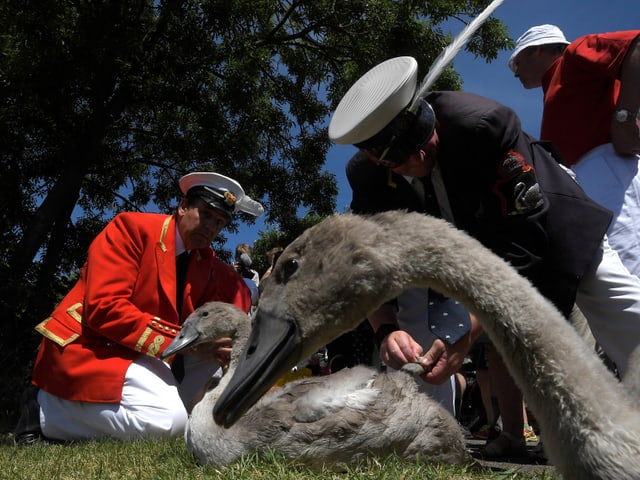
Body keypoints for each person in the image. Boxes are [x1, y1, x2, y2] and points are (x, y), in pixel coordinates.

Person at [328, 56, 640, 457]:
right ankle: (424, 440)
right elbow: (372, 263)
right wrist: (385, 331)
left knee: (619, 306)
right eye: (402, 159)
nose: (420, 158)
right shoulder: (367, 178)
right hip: (454, 253)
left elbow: (526, 241)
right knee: (414, 317)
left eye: (424, 140)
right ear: (375, 158)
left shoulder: (484, 123)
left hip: (546, 226)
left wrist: (469, 329)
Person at [13, 171, 264, 444]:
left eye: (219, 222)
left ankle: (169, 415)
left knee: (214, 355)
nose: (211, 226)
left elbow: (232, 302)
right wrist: (188, 344)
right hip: (91, 345)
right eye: (205, 213)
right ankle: (44, 411)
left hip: (142, 351)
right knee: (169, 423)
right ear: (182, 207)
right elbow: (104, 308)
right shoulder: (131, 229)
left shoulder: (204, 261)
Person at [508, 24, 640, 278]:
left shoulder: (574, 55)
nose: (515, 72)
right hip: (590, 191)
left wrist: (625, 117)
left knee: (631, 269)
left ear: (537, 50)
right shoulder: (556, 87)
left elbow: (636, 43)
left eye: (517, 61)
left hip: (612, 177)